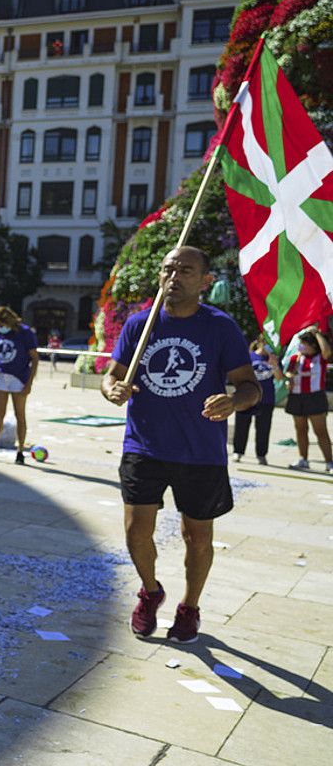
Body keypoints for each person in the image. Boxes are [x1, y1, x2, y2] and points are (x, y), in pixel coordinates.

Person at [102, 246, 260, 644]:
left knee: (198, 536)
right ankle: (150, 591)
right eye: (168, 268)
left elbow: (250, 387)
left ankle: (189, 607)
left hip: (200, 450)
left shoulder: (220, 327)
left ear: (205, 281)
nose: (174, 276)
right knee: (136, 531)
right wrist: (112, 389)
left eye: (186, 270)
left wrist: (233, 401)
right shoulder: (140, 324)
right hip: (144, 444)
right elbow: (113, 375)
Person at [0, 306, 39, 464]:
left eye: (0, 324)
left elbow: (35, 358)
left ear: (7, 320)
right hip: (1, 376)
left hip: (19, 378)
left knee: (20, 415)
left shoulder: (25, 332)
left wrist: (29, 383)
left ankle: (20, 452)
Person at [276, 328, 333, 472]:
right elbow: (287, 372)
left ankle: (329, 462)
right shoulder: (296, 358)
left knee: (320, 430)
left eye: (303, 343)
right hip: (297, 396)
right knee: (301, 429)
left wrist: (317, 334)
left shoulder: (320, 358)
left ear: (312, 345)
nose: (300, 346)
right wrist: (289, 376)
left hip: (315, 396)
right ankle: (303, 459)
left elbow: (327, 352)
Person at [233, 338, 277, 465]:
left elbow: (279, 378)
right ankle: (238, 451)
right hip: (246, 397)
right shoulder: (248, 356)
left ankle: (261, 454)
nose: (269, 346)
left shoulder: (272, 358)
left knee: (263, 428)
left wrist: (274, 365)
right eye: (267, 343)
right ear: (260, 342)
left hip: (266, 399)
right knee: (242, 425)